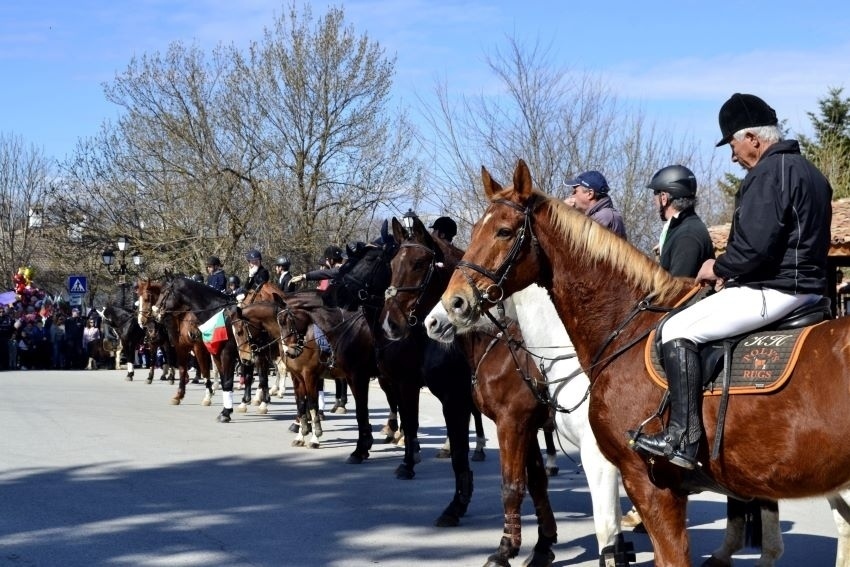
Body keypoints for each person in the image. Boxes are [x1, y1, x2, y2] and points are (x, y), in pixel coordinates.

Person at [630, 93, 833, 470]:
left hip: (774, 290)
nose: (733, 155)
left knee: (676, 329)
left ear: (753, 138)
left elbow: (754, 247)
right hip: (809, 292)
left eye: (733, 144)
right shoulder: (813, 174)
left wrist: (718, 269)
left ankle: (683, 437)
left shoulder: (769, 173)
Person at [647, 165, 715, 277]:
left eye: (655, 194)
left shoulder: (687, 236)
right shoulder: (682, 227)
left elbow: (678, 288)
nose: (653, 201)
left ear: (663, 198)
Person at [564, 170, 627, 239]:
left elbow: (576, 243)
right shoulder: (597, 215)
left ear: (590, 194)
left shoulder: (605, 217)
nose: (572, 195)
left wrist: (565, 214)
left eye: (575, 191)